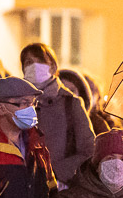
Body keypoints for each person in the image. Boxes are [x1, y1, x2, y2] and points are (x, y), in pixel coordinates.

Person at [19, 42, 95, 183]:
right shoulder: (16, 104)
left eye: (41, 61)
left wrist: (55, 172)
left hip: (61, 188)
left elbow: (89, 150)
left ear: (53, 67)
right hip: (23, 186)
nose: (34, 66)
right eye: (29, 62)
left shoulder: (71, 104)